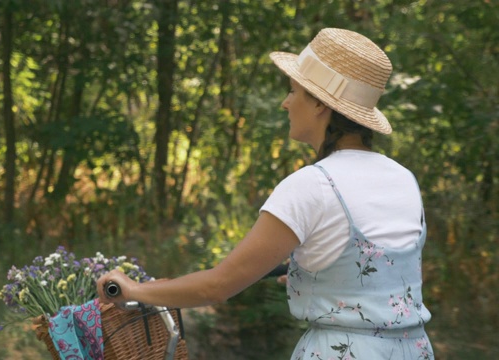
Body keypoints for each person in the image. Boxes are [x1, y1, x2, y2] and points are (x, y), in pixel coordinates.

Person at [97, 28, 434, 359]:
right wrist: (315, 278)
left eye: (293, 91)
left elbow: (218, 286)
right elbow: (377, 273)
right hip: (414, 350)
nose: (285, 103)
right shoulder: (403, 178)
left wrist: (135, 290)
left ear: (319, 103)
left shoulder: (312, 185)